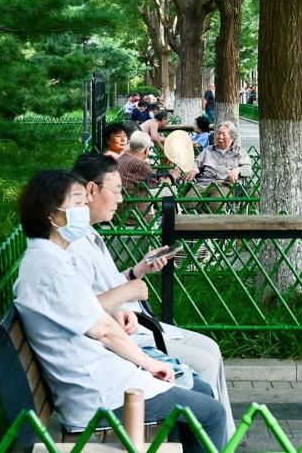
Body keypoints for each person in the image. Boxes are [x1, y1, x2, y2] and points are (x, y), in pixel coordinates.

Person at [14, 169, 227, 453]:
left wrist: (121, 323)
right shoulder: (49, 267)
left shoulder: (51, 258)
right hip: (98, 393)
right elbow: (103, 331)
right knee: (211, 414)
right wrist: (151, 365)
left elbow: (93, 316)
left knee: (199, 392)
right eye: (77, 202)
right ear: (50, 214)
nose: (83, 209)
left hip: (102, 375)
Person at [72, 155, 236, 441]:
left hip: (130, 332)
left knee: (210, 351)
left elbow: (97, 298)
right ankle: (212, 437)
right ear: (90, 191)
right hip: (127, 342)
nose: (121, 199)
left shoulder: (86, 238)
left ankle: (220, 438)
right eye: (116, 191)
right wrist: (129, 293)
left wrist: (138, 270)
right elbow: (87, 312)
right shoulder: (68, 249)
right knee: (205, 373)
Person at [184, 121, 252, 198]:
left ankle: (203, 209)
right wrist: (194, 168)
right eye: (218, 133)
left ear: (232, 137)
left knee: (216, 205)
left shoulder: (240, 152)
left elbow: (248, 169)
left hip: (224, 185)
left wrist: (238, 170)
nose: (220, 136)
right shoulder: (208, 150)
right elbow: (196, 163)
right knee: (188, 202)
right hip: (203, 183)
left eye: (224, 134)